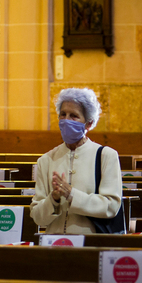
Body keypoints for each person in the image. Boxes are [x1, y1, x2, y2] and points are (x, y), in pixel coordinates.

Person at [30, 88, 123, 234]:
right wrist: (53, 199)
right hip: (54, 245)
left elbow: (111, 207)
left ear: (89, 123)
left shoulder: (107, 156)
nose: (66, 120)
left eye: (74, 116)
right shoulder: (46, 160)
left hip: (91, 245)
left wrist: (72, 195)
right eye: (63, 114)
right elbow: (37, 217)